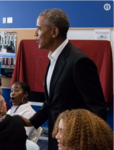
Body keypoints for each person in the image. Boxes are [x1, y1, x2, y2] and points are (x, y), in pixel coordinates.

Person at [20, 8, 107, 150]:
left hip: (74, 143)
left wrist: (85, 142)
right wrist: (30, 122)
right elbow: (51, 103)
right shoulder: (53, 58)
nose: (35, 33)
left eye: (39, 28)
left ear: (54, 32)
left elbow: (97, 109)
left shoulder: (79, 62)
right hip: (56, 138)